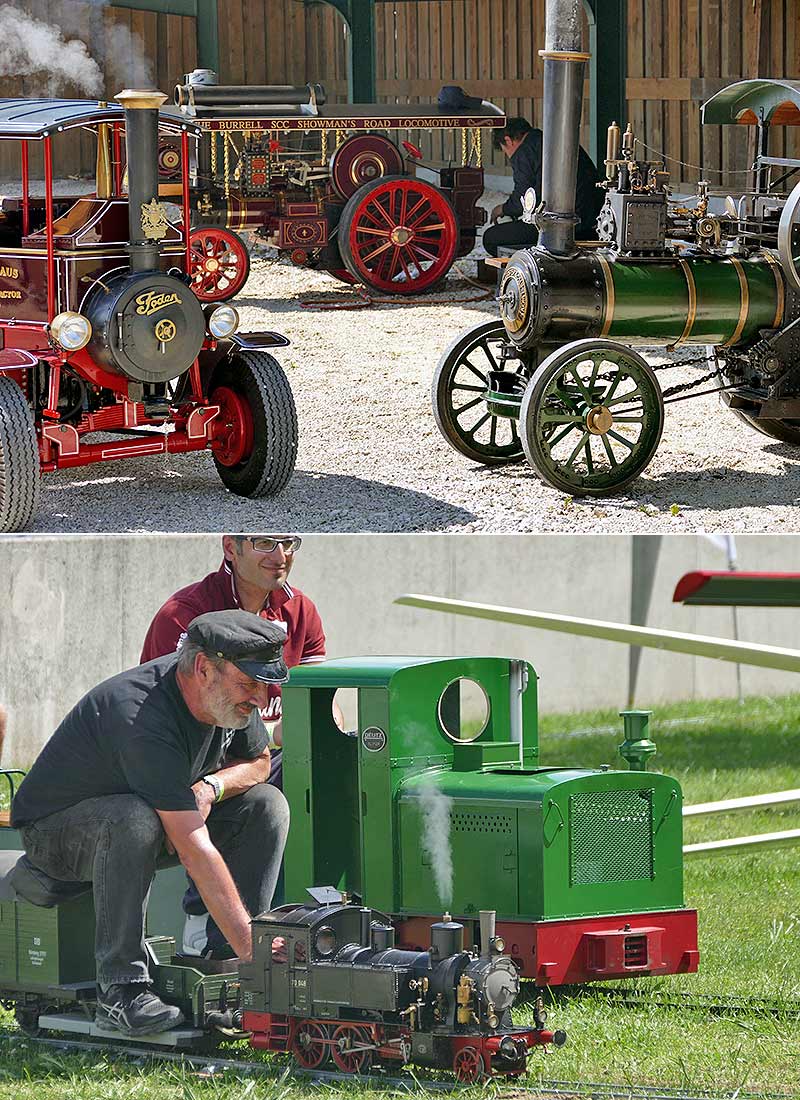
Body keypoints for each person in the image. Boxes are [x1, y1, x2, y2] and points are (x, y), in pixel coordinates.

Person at [10, 610, 290, 1037]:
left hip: (149, 821)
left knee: (266, 804)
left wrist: (212, 786)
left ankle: (228, 972)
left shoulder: (229, 696)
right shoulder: (141, 717)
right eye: (250, 684)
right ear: (203, 669)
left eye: (264, 685)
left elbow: (259, 761)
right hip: (54, 834)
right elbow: (193, 850)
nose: (259, 698)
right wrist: (259, 951)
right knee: (134, 818)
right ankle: (120, 992)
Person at [141, 534, 326, 791]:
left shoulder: (301, 609)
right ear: (231, 548)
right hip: (200, 764)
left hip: (268, 757)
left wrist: (327, 722)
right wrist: (275, 735)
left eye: (287, 543)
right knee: (268, 796)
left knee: (334, 757)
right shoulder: (184, 615)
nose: (280, 556)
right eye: (264, 543)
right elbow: (188, 723)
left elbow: (321, 698)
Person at [483, 117, 603, 257]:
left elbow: (522, 201)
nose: (508, 155)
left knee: (491, 238)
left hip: (564, 226)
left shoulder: (525, 151)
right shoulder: (546, 140)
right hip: (593, 221)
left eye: (505, 150)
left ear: (508, 140)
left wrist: (502, 209)